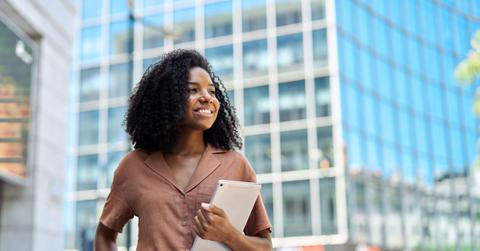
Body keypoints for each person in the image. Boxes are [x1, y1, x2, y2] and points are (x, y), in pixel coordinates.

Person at [95, 49, 272, 251]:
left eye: (212, 91)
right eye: (193, 90)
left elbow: (265, 246)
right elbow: (104, 235)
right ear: (167, 99)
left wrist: (229, 234)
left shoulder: (236, 165)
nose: (207, 98)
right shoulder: (134, 166)